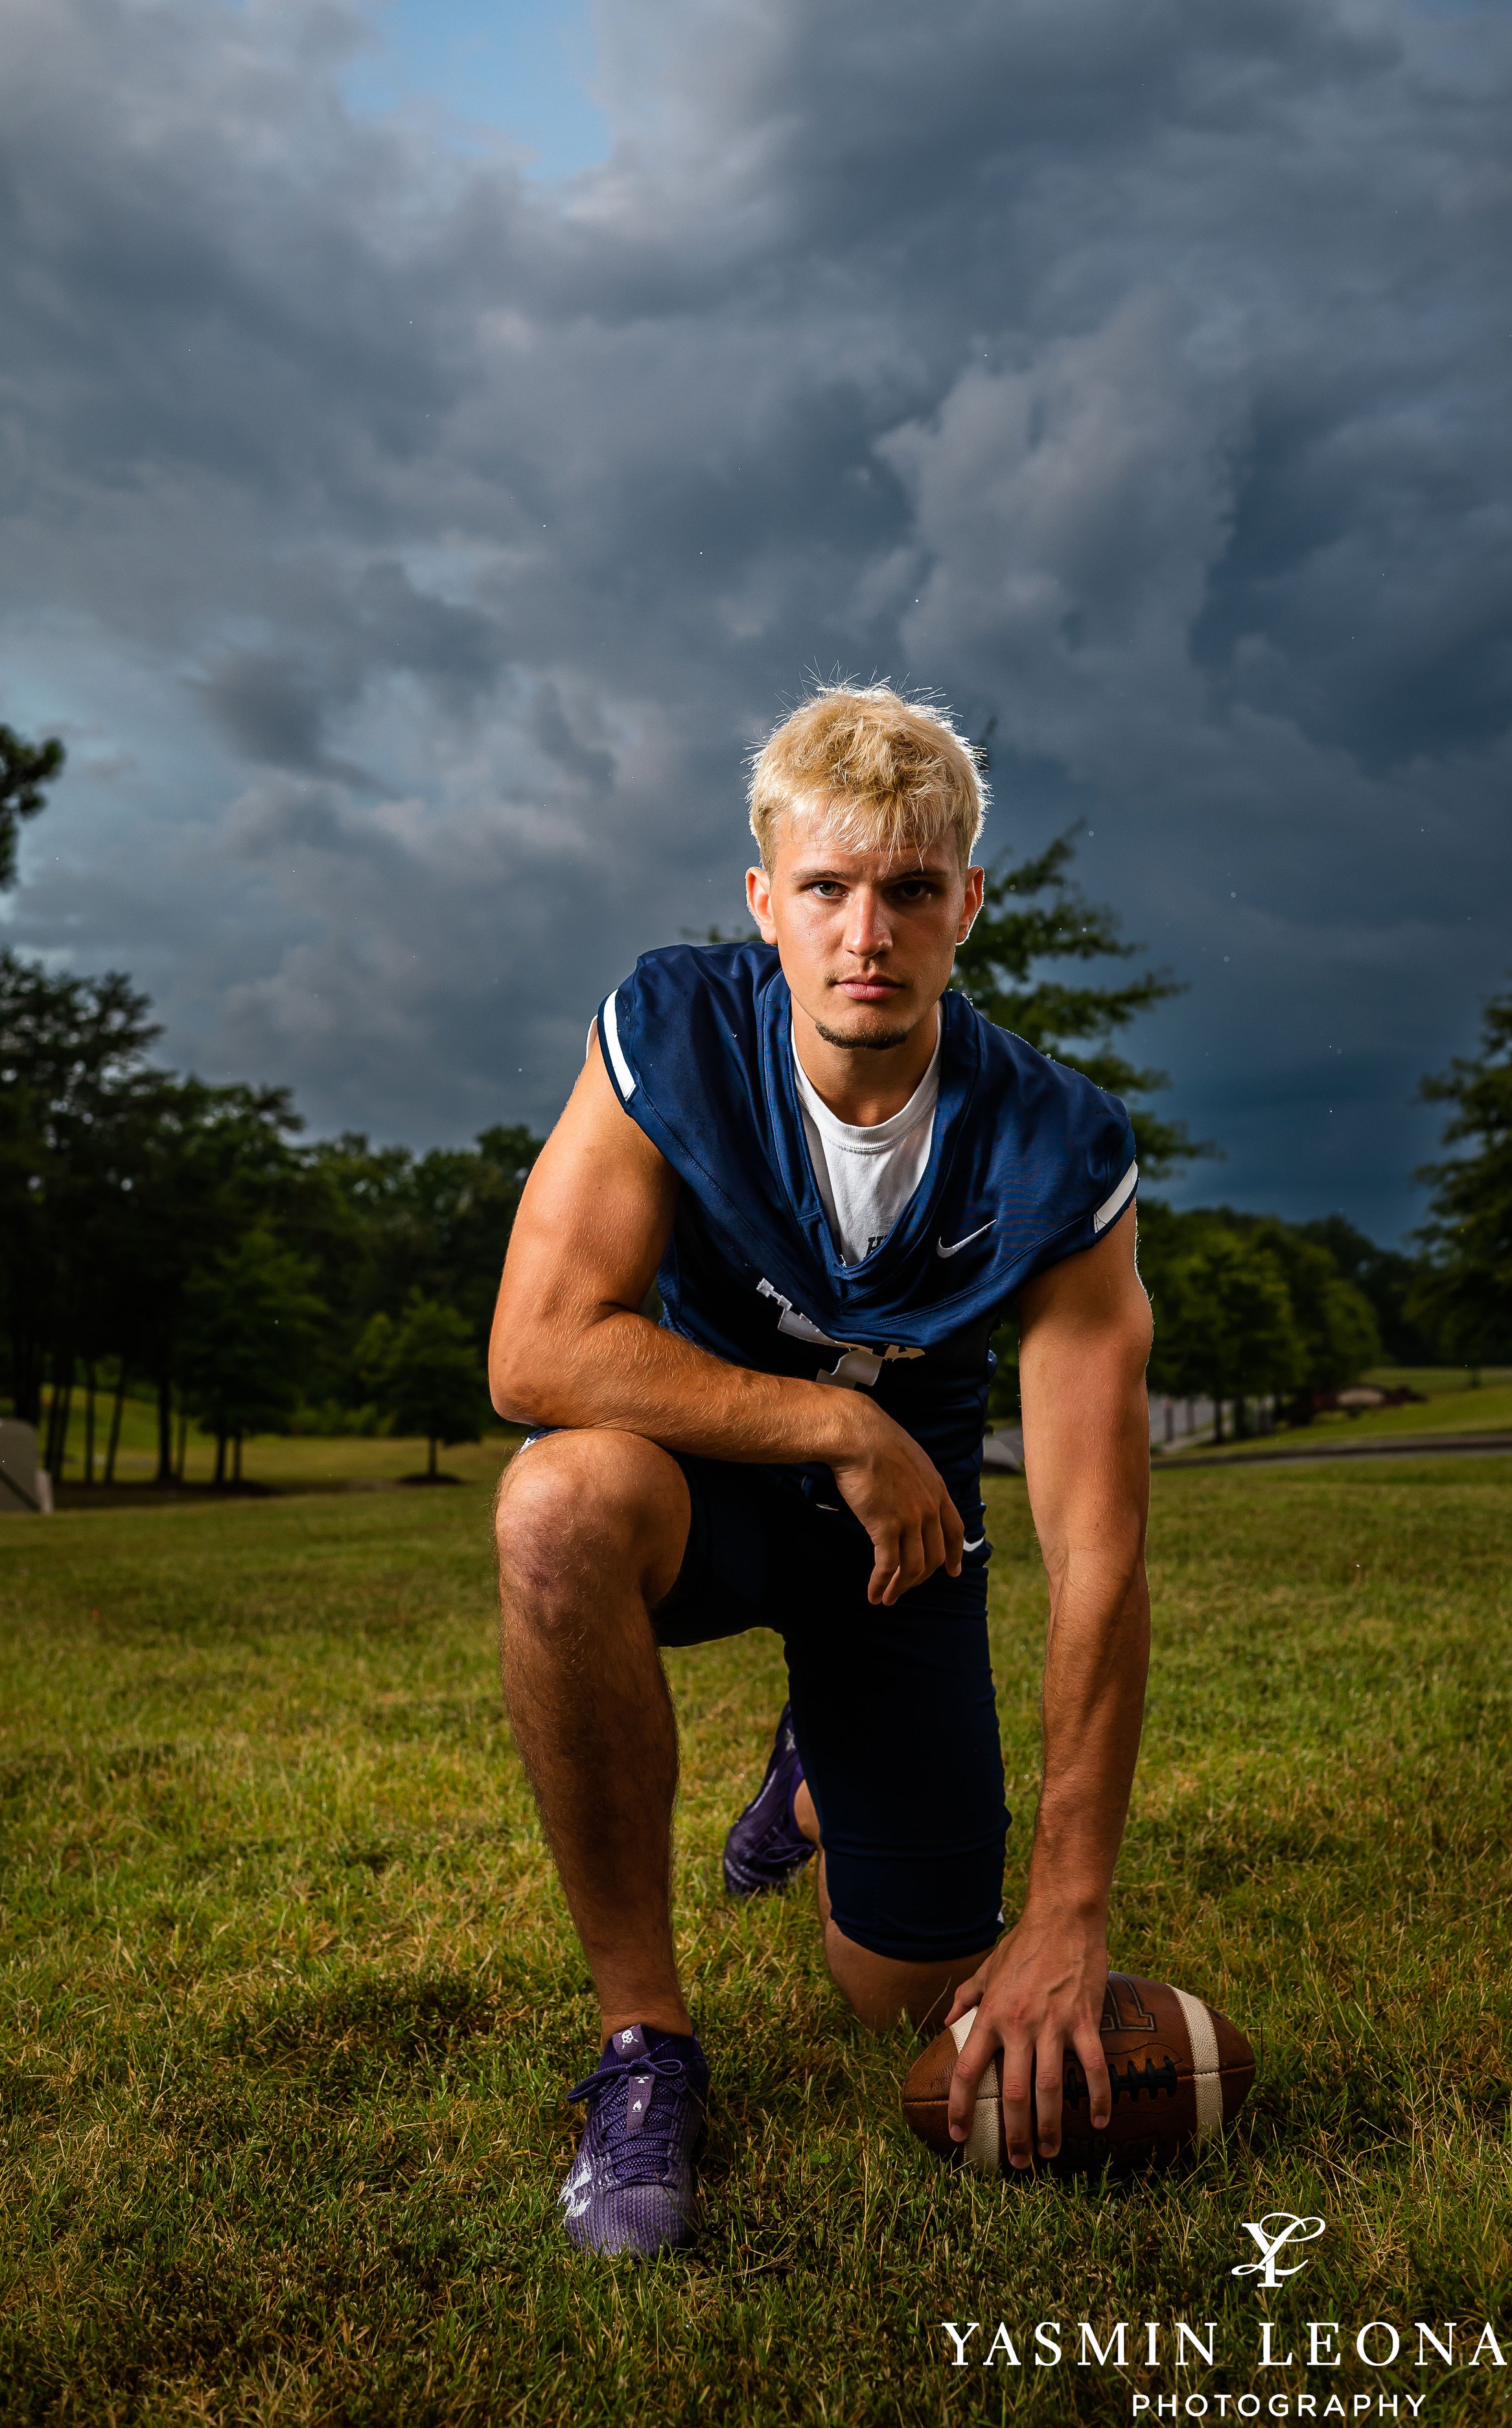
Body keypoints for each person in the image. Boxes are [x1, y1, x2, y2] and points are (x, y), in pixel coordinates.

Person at [488, 684, 1153, 2256]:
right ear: (762, 902)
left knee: (911, 2002)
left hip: (902, 1549)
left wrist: (1067, 1912)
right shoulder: (667, 1028)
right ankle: (642, 2047)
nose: (869, 932)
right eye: (828, 889)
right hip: (708, 1489)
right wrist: (838, 1422)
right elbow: (532, 1353)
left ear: (966, 905)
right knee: (553, 1500)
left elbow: (1100, 1558)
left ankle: (822, 1759)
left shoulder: (1059, 1147)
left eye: (913, 890)